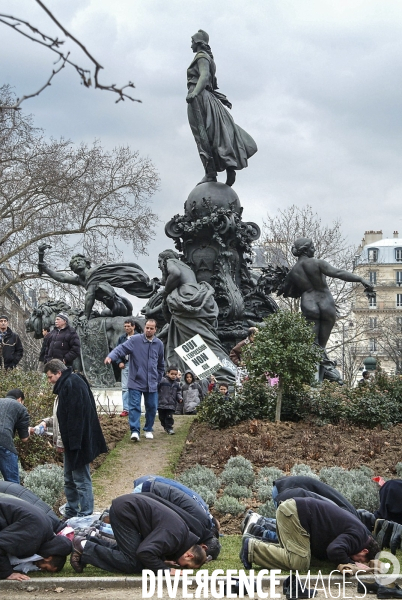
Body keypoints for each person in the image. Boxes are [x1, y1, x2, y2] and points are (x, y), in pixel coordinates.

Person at [277, 238, 373, 380]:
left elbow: (287, 292)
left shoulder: (292, 273)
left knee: (313, 346)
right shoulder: (317, 263)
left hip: (308, 305)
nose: (314, 249)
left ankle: (315, 381)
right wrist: (360, 279)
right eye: (312, 247)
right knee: (321, 346)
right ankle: (321, 382)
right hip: (326, 304)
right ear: (306, 249)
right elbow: (339, 273)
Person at [32, 359, 107, 518]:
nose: (49, 381)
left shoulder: (71, 385)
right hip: (72, 442)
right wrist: (45, 423)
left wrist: (65, 443)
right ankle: (72, 511)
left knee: (81, 480)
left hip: (77, 443)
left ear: (59, 373)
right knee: (69, 479)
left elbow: (74, 420)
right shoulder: (69, 383)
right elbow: (61, 417)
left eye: (50, 377)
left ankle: (85, 514)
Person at [69, 494, 207, 574]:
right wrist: (165, 570)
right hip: (126, 512)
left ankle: (89, 541)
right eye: (186, 565)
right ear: (189, 555)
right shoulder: (175, 536)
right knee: (133, 563)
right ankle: (84, 547)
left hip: (129, 510)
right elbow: (144, 552)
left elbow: (151, 547)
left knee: (133, 557)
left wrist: (161, 560)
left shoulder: (180, 535)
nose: (181, 566)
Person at [186, 30, 257, 186]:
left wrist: (195, 93)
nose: (190, 43)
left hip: (199, 98)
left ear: (198, 42)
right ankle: (228, 164)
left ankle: (210, 173)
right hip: (208, 99)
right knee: (218, 134)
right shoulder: (209, 58)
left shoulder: (201, 57)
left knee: (202, 135)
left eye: (192, 41)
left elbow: (204, 77)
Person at [240, 497, 379, 572]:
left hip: (293, 512)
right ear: (364, 550)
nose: (358, 562)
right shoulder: (358, 537)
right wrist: (351, 563)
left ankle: (255, 541)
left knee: (305, 558)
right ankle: (252, 549)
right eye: (360, 560)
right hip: (294, 514)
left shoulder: (359, 533)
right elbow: (334, 550)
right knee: (300, 563)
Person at [157, 250, 235, 383]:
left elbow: (175, 274)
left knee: (199, 341)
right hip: (196, 295)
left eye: (159, 262)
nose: (159, 266)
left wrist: (165, 292)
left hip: (186, 297)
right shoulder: (187, 268)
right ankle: (212, 372)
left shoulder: (172, 262)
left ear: (165, 259)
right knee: (202, 340)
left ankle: (227, 374)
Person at [38, 245, 156, 320]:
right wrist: (46, 268)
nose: (77, 262)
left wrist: (86, 315)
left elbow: (90, 295)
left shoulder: (94, 273)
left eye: (80, 260)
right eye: (74, 262)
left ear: (87, 263)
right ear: (72, 269)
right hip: (115, 308)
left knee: (96, 318)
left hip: (120, 306)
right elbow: (62, 277)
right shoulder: (80, 279)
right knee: (101, 316)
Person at [105, 319, 164, 442]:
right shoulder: (135, 340)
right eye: (147, 327)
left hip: (152, 382)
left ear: (155, 330)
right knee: (134, 407)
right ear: (144, 328)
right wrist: (111, 357)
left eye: (151, 328)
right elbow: (120, 349)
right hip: (136, 380)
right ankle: (135, 431)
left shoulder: (159, 344)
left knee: (152, 407)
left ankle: (148, 429)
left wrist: (158, 378)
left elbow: (160, 364)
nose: (148, 330)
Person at [0, 495, 72, 581]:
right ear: (48, 558)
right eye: (45, 568)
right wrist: (8, 573)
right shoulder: (33, 537)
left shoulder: (46, 529)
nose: (40, 569)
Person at [0, 389, 29, 483]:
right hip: (4, 442)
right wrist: (28, 431)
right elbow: (24, 438)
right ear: (20, 399)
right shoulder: (21, 408)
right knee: (12, 483)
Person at [114, 318, 137, 417]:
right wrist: (119, 362)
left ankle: (135, 408)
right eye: (125, 326)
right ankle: (126, 409)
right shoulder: (122, 338)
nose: (126, 328)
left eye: (129, 326)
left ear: (133, 327)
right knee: (125, 388)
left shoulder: (140, 337)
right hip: (126, 364)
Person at [158, 365, 183, 435]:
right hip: (161, 403)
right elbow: (157, 388)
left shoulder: (176, 384)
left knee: (169, 417)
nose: (174, 376)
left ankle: (169, 428)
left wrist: (180, 398)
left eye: (175, 374)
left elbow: (178, 392)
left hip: (171, 404)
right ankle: (165, 426)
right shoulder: (162, 381)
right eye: (172, 374)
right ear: (167, 373)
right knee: (161, 417)